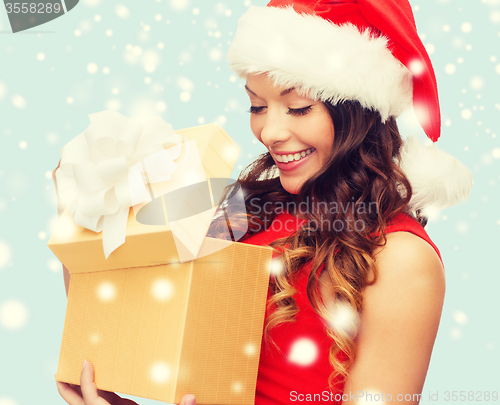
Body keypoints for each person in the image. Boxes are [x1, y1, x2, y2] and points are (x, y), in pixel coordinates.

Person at [56, 0, 473, 404]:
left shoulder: (401, 259)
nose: (268, 132)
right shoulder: (244, 206)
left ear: (358, 111)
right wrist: (88, 208)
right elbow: (122, 299)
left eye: (297, 108)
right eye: (257, 105)